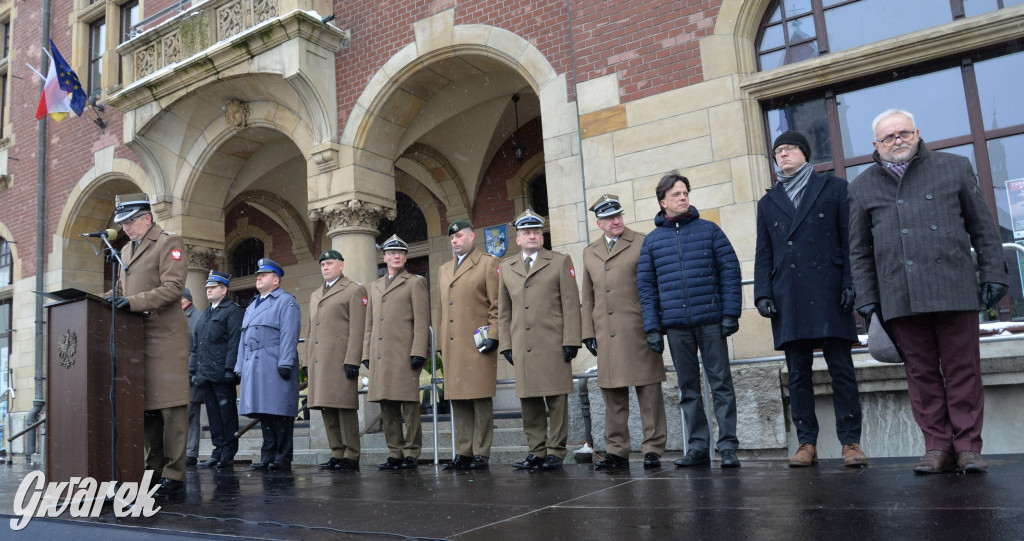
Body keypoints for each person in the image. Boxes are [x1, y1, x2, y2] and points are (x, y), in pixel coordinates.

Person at [848, 109, 1009, 474]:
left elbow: (984, 228)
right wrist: (867, 298)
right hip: (899, 295)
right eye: (889, 137)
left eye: (904, 133)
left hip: (953, 287)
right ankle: (937, 446)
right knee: (920, 374)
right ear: (876, 145)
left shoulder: (954, 167)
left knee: (963, 370)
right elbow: (858, 249)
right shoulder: (862, 186)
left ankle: (968, 447)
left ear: (917, 133)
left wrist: (994, 274)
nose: (898, 140)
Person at [754, 131, 868, 468]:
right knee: (798, 374)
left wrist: (851, 281)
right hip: (788, 293)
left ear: (805, 152)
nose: (782, 155)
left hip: (830, 290)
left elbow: (851, 240)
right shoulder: (768, 201)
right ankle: (806, 443)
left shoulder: (834, 188)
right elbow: (764, 252)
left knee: (842, 370)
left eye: (788, 149)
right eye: (777, 152)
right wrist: (762, 292)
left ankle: (851, 442)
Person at [637, 173, 742, 469]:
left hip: (710, 321)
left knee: (721, 383)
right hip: (676, 326)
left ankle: (728, 446)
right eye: (676, 194)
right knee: (689, 388)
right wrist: (653, 328)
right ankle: (697, 447)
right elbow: (646, 288)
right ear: (663, 202)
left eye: (685, 193)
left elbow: (730, 272)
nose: (683, 198)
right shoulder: (653, 242)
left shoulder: (710, 231)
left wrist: (730, 313)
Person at [103, 193, 189, 497]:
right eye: (122, 222)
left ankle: (174, 474)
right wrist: (89, 300)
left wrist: (131, 303)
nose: (125, 227)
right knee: (147, 410)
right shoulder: (125, 251)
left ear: (146, 218)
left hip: (165, 337)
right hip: (136, 340)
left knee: (171, 409)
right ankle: (152, 470)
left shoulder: (169, 242)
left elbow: (172, 289)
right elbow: (119, 289)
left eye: (129, 221)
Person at [582, 195, 668, 470]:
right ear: (599, 223)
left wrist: (656, 326)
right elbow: (589, 295)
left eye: (618, 215)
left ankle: (653, 449)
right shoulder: (589, 252)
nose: (616, 221)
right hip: (606, 334)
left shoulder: (643, 242)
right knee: (613, 395)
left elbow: (654, 287)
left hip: (638, 329)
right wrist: (587, 333)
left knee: (649, 392)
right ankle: (617, 451)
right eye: (609, 218)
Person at [498, 209, 582, 471]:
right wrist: (506, 344)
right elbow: (504, 311)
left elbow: (571, 304)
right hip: (523, 344)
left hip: (553, 341)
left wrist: (572, 340)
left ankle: (556, 451)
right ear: (518, 238)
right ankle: (536, 451)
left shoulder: (559, 261)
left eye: (536, 232)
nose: (532, 236)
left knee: (556, 400)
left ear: (542, 237)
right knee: (529, 400)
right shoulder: (506, 266)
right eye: (526, 232)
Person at [363, 235, 430, 470]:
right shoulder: (375, 286)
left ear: (405, 257)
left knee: (409, 406)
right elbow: (369, 323)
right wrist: (366, 354)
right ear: (385, 258)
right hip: (381, 354)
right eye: (391, 253)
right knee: (387, 406)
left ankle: (411, 452)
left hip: (404, 354)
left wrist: (419, 351)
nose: (396, 256)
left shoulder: (415, 282)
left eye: (400, 253)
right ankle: (395, 451)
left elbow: (422, 321)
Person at [437, 220, 500, 470]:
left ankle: (481, 452)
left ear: (472, 237)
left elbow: (497, 305)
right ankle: (463, 451)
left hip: (478, 343)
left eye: (459, 236)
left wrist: (494, 334)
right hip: (453, 345)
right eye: (452, 238)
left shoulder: (488, 263)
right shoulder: (443, 269)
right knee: (459, 399)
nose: (455, 240)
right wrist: (442, 344)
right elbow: (442, 310)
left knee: (480, 398)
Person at [234, 258, 301, 471]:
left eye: (264, 275)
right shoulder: (253, 304)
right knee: (264, 413)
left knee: (279, 412)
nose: (259, 278)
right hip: (254, 363)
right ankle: (268, 455)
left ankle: (282, 457)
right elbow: (243, 338)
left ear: (276, 280)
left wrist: (286, 362)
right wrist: (239, 366)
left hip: (274, 361)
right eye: (257, 275)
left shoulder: (285, 301)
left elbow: (290, 334)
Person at [307, 249, 367, 472]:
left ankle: (351, 454)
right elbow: (310, 330)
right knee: (326, 407)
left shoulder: (353, 290)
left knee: (344, 407)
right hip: (319, 361)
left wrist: (353, 359)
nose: (325, 268)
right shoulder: (315, 294)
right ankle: (336, 452)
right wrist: (307, 361)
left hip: (341, 359)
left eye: (330, 264)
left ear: (341, 265)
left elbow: (357, 328)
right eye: (322, 265)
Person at [189, 270, 244, 468]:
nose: (209, 291)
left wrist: (231, 368)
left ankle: (228, 452)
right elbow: (198, 344)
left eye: (213, 288)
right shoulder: (207, 313)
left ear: (224, 289)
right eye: (208, 288)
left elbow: (234, 342)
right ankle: (217, 450)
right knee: (213, 416)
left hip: (222, 373)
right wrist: (194, 371)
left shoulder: (233, 311)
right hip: (206, 374)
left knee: (227, 415)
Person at [182, 288, 203, 467]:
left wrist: (192, 371)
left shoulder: (197, 318)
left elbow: (198, 349)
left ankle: (190, 451)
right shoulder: (178, 316)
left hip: (190, 375)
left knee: (191, 414)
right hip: (175, 375)